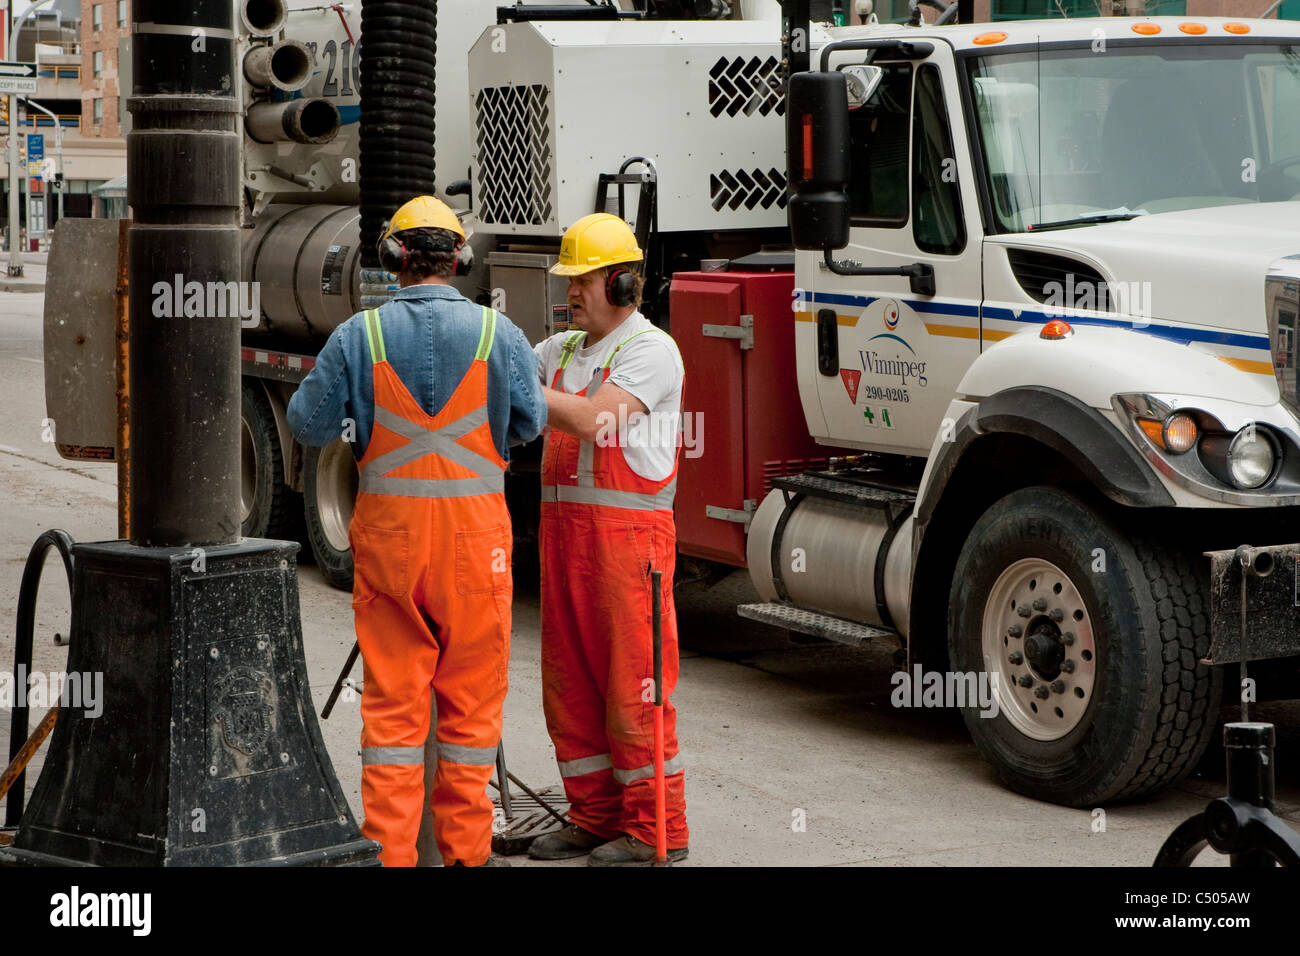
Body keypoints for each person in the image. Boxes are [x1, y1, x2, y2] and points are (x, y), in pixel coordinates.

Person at [286, 195, 546, 867]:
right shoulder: (499, 334)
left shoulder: (359, 335)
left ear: (392, 258)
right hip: (476, 547)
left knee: (394, 719)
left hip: (393, 546)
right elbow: (529, 423)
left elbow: (309, 425)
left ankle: (391, 859)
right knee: (470, 717)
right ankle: (465, 857)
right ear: (460, 260)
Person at [527, 213, 689, 865]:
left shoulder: (651, 352)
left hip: (630, 553)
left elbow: (598, 421)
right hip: (565, 548)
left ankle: (658, 831)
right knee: (569, 688)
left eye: (585, 280)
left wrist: (515, 388)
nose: (571, 292)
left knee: (635, 690)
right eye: (568, 280)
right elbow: (513, 388)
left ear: (623, 283)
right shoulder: (560, 351)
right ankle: (593, 815)